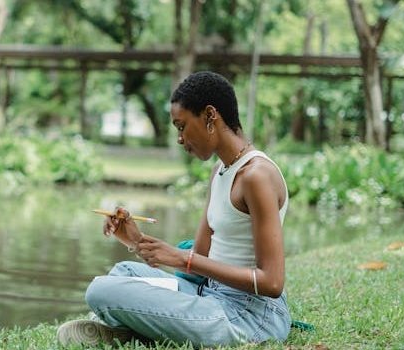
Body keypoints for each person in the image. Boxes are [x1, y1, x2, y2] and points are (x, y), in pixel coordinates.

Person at [57, 71, 291, 348]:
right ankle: (141, 331)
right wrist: (135, 241)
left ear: (210, 115)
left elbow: (272, 283)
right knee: (124, 272)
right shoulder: (220, 171)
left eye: (182, 126)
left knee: (100, 291)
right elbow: (199, 263)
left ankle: (134, 330)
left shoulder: (257, 176)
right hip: (208, 294)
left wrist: (182, 259)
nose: (180, 138)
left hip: (248, 316)